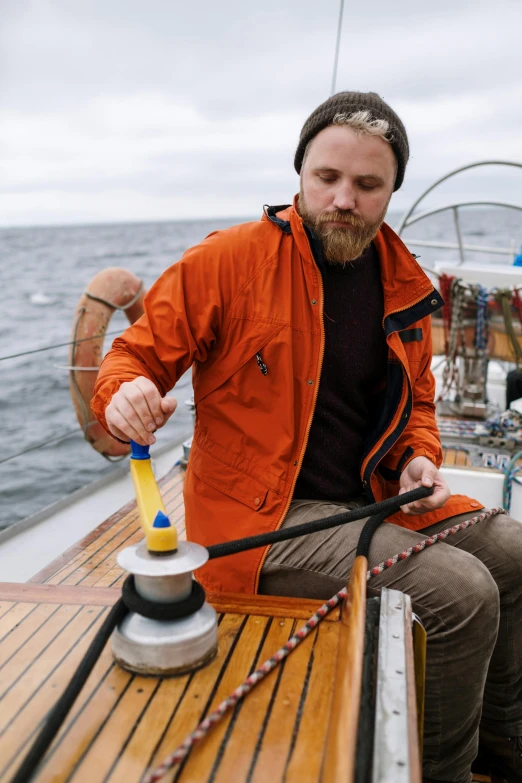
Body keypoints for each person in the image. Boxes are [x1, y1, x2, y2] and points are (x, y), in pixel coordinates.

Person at [91, 91, 522, 783]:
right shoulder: (227, 261)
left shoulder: (403, 279)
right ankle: (445, 770)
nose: (343, 198)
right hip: (261, 519)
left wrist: (419, 458)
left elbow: (417, 401)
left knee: (513, 550)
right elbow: (130, 358)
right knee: (459, 591)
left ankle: (505, 751)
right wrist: (126, 395)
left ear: (391, 193)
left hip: (375, 499)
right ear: (300, 174)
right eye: (327, 177)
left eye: (367, 184)